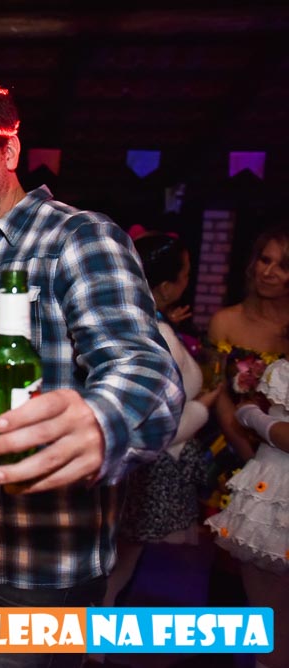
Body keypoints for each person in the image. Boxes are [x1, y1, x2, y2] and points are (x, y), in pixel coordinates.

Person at [0, 79, 184, 668]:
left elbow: (143, 368)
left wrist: (102, 422)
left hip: (32, 577)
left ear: (9, 150)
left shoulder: (77, 238)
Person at [102, 234, 220, 611]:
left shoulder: (129, 318)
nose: (188, 281)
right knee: (113, 578)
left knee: (116, 572)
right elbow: (152, 426)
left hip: (128, 472)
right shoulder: (156, 334)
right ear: (166, 286)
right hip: (140, 473)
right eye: (185, 275)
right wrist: (205, 406)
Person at [206, 358, 289, 668]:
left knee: (271, 619)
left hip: (277, 499)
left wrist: (251, 415)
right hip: (272, 496)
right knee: (270, 618)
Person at [207, 226, 289, 462]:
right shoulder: (225, 322)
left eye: (283, 266)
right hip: (229, 447)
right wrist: (248, 455)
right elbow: (216, 393)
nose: (268, 272)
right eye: (265, 260)